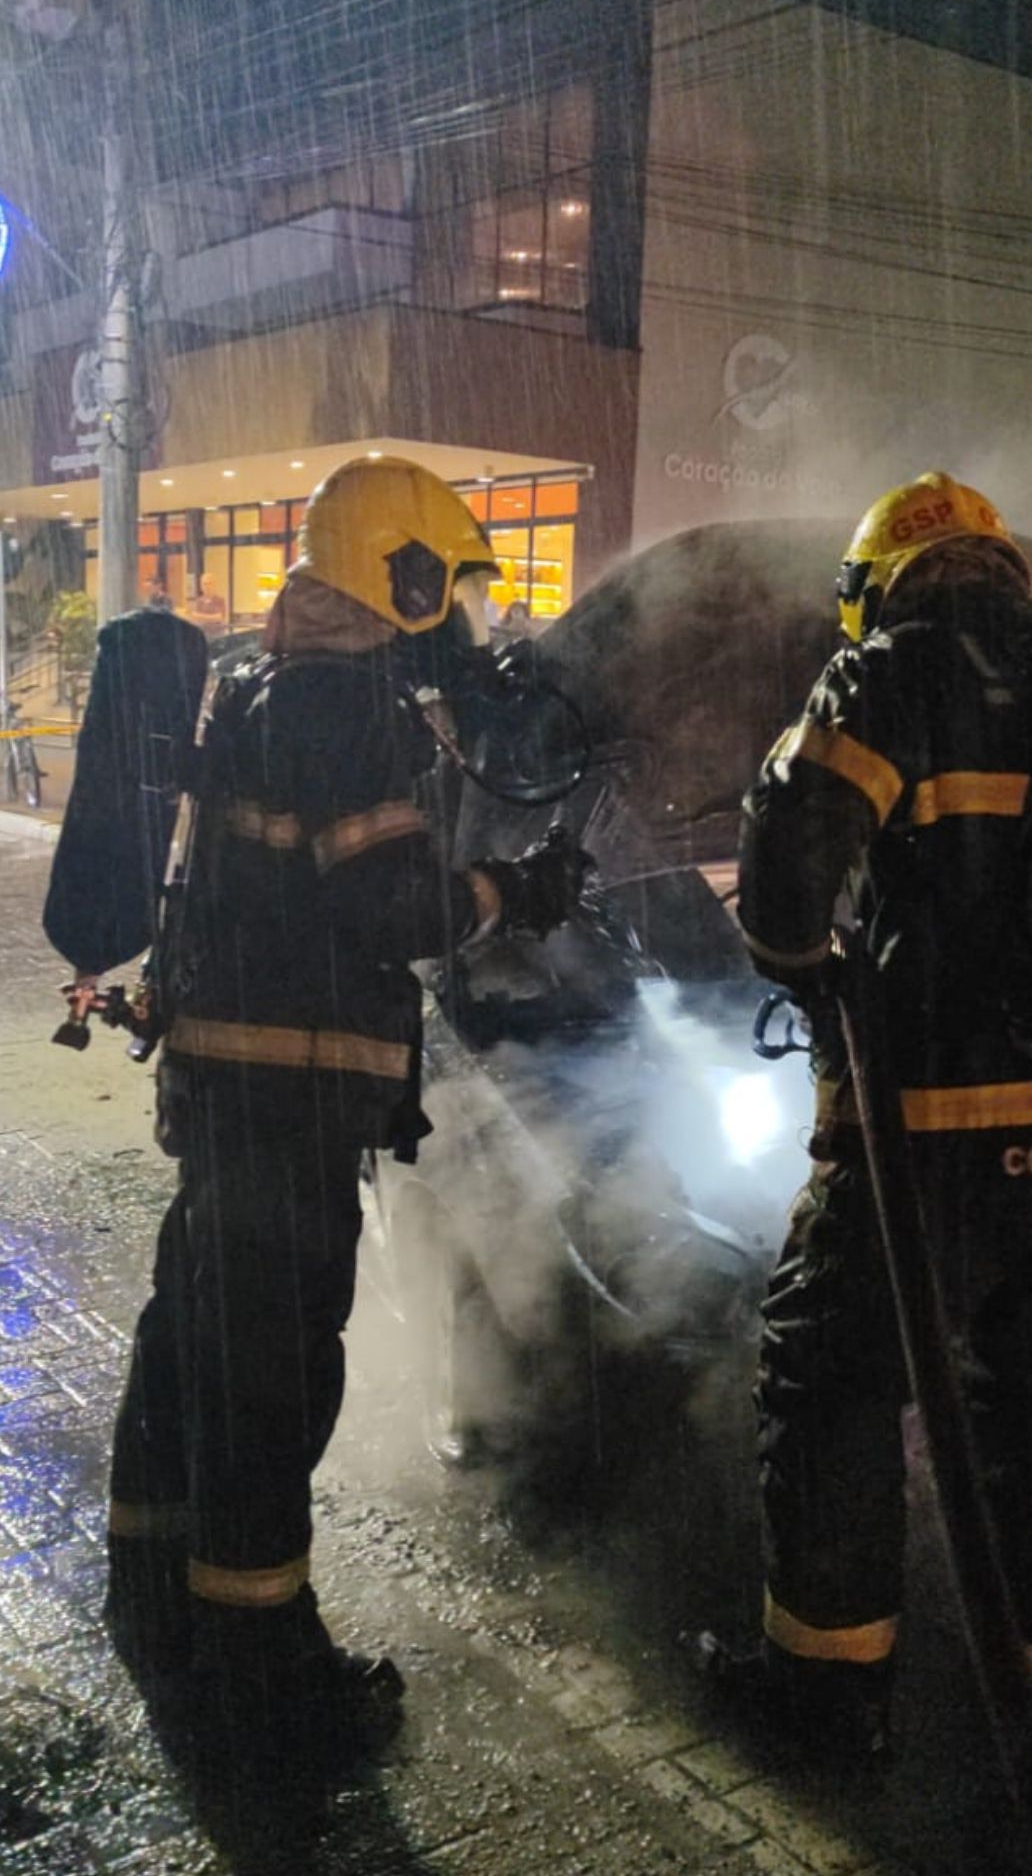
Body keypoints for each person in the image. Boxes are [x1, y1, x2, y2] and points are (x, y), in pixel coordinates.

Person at [100, 455, 591, 1749]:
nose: (465, 614)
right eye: (453, 585)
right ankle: (264, 1667)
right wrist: (511, 895)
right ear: (408, 577)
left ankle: (152, 1584)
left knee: (194, 1333)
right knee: (270, 1371)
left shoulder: (266, 679)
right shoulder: (343, 706)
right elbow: (392, 907)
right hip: (290, 1090)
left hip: (226, 1083)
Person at [698, 472, 1032, 1760]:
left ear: (880, 586)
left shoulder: (893, 672)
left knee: (830, 1373)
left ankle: (827, 1697)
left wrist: (801, 965)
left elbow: (788, 872)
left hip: (930, 1136)